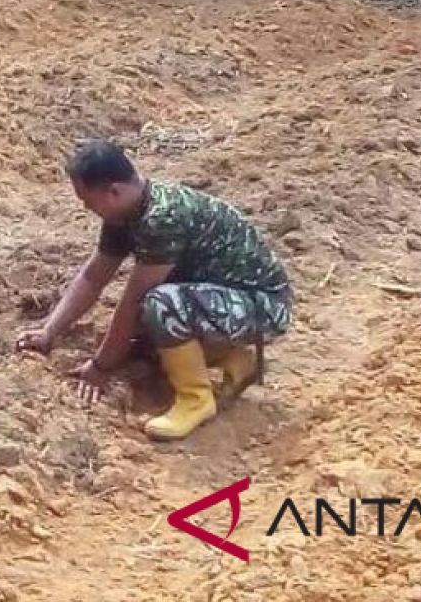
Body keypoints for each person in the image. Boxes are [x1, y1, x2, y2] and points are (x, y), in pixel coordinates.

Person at [17, 139, 292, 441]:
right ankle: (235, 361)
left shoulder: (163, 217)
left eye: (88, 201)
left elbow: (134, 299)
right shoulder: (124, 214)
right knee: (144, 339)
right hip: (221, 298)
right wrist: (49, 331)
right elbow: (94, 277)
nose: (87, 209)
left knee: (161, 306)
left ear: (114, 191)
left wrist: (101, 366)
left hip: (262, 306)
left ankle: (196, 400)